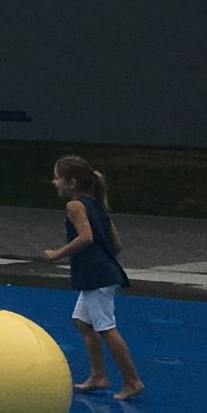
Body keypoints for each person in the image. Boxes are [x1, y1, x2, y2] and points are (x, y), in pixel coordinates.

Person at [44, 155, 143, 399]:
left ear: (72, 182)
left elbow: (86, 237)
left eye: (58, 178)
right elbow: (116, 244)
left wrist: (58, 253)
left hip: (96, 277)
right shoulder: (98, 206)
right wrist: (103, 257)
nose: (54, 182)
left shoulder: (75, 206)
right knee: (82, 321)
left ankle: (132, 381)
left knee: (106, 328)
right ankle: (98, 375)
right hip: (101, 273)